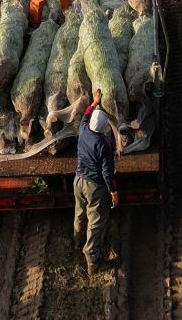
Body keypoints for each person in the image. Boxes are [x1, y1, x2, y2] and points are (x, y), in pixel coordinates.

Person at [74, 90, 118, 274]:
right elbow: (107, 173)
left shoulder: (83, 130)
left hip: (78, 181)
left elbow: (84, 116)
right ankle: (93, 261)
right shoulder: (104, 145)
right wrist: (113, 193)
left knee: (80, 213)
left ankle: (77, 241)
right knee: (96, 222)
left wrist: (94, 103)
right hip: (94, 186)